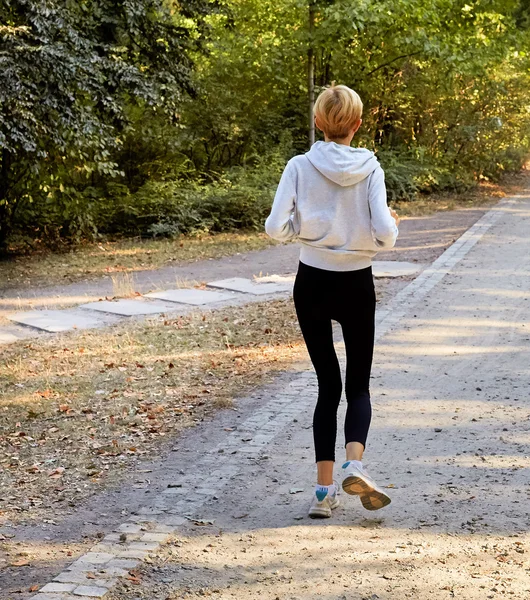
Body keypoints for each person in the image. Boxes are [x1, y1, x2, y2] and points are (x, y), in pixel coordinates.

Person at [264, 84, 400, 518]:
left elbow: (274, 227)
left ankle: (323, 495)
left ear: (318, 122)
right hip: (357, 283)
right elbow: (385, 231)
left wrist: (302, 236)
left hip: (312, 284)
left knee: (328, 386)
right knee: (358, 385)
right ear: (358, 125)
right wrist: (380, 238)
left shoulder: (299, 166)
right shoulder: (371, 168)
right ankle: (354, 464)